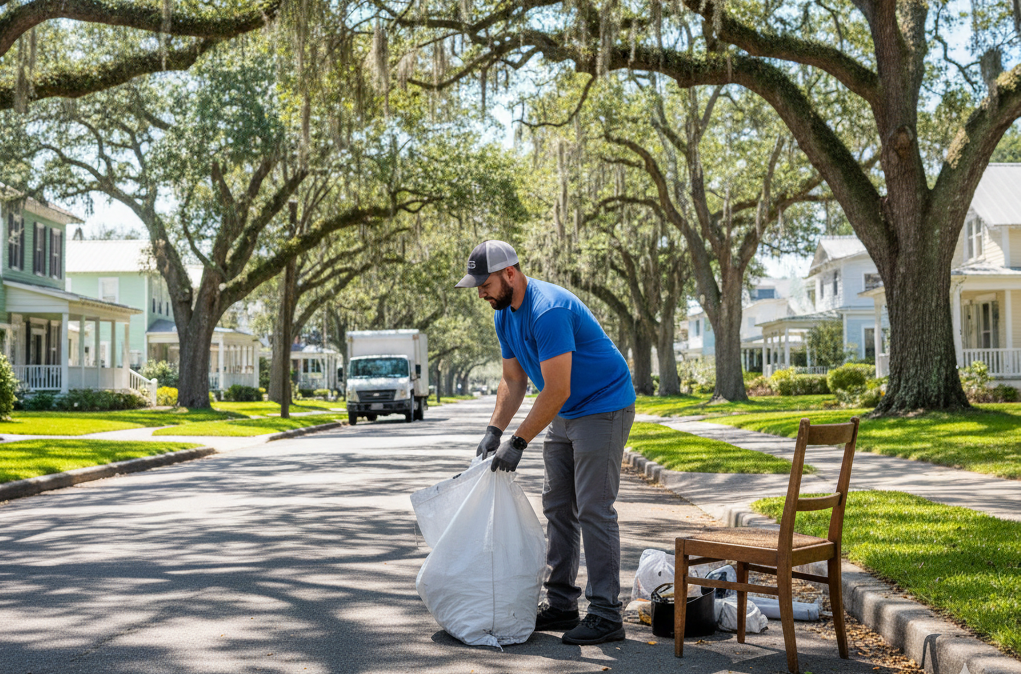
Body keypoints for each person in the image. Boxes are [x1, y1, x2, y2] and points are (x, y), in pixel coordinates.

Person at [455, 239, 636, 646]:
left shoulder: (548, 309)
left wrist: (518, 442)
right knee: (557, 506)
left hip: (603, 406)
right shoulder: (503, 314)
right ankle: (562, 605)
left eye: (484, 284)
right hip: (568, 412)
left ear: (510, 274)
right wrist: (494, 430)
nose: (480, 292)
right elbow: (514, 380)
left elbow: (556, 389)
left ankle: (607, 613)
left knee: (594, 508)